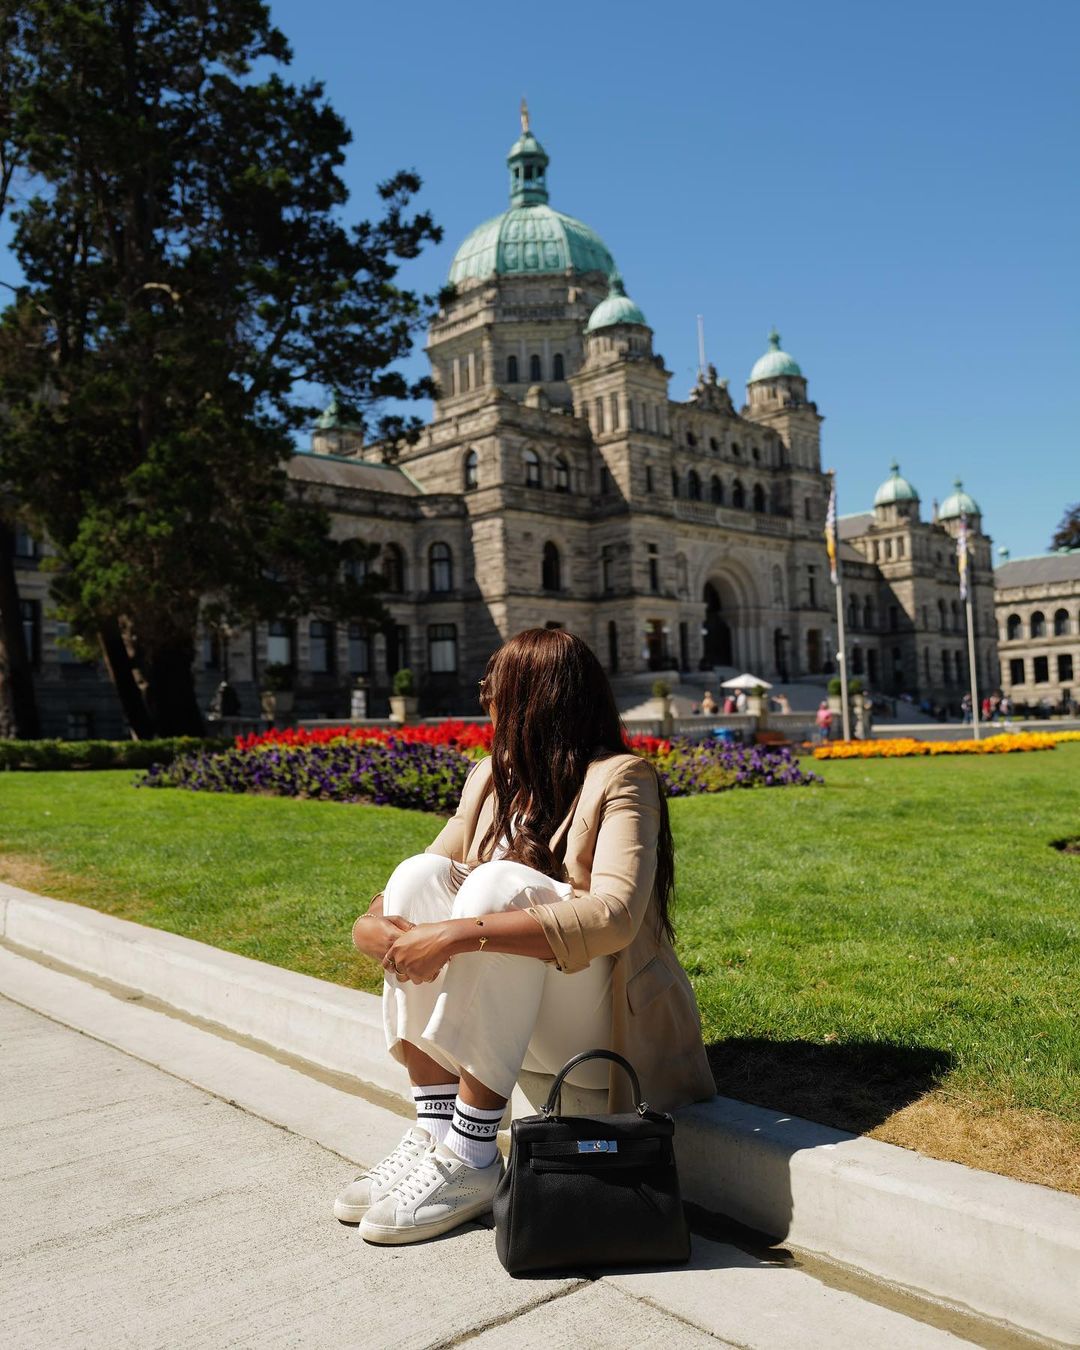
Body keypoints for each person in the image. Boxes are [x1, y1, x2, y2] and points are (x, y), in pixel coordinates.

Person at [340, 629, 715, 1246]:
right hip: (515, 1015)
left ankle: (472, 1154)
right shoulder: (491, 778)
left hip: (599, 1026)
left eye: (494, 687)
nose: (483, 699)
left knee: (500, 886)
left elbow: (616, 915)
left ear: (535, 699)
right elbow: (424, 874)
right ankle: (435, 1132)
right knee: (419, 874)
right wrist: (371, 923)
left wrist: (458, 935)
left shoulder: (622, 778)